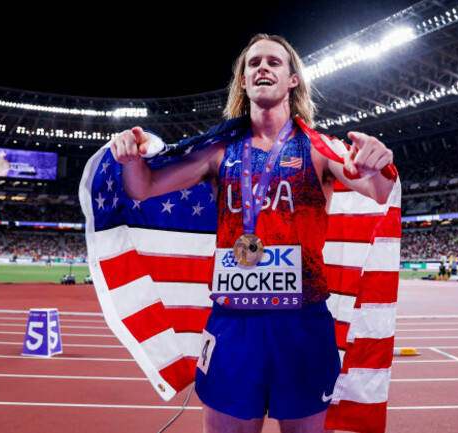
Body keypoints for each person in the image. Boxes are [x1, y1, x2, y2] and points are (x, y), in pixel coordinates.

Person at [110, 34, 395, 433]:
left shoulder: (318, 148)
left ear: (292, 80)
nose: (263, 67)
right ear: (243, 81)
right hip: (233, 323)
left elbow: (380, 190)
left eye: (274, 62)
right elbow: (142, 187)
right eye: (254, 62)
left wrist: (377, 163)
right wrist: (127, 157)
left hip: (302, 322)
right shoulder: (217, 151)